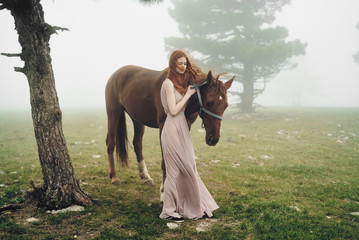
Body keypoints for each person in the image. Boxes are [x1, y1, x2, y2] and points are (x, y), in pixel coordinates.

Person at [159, 49, 219, 222]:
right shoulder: (168, 84)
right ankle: (168, 211)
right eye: (180, 63)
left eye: (185, 63)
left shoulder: (182, 82)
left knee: (190, 167)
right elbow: (174, 110)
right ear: (173, 64)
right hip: (171, 129)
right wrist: (188, 95)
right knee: (173, 171)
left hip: (183, 129)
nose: (183, 67)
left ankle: (195, 204)